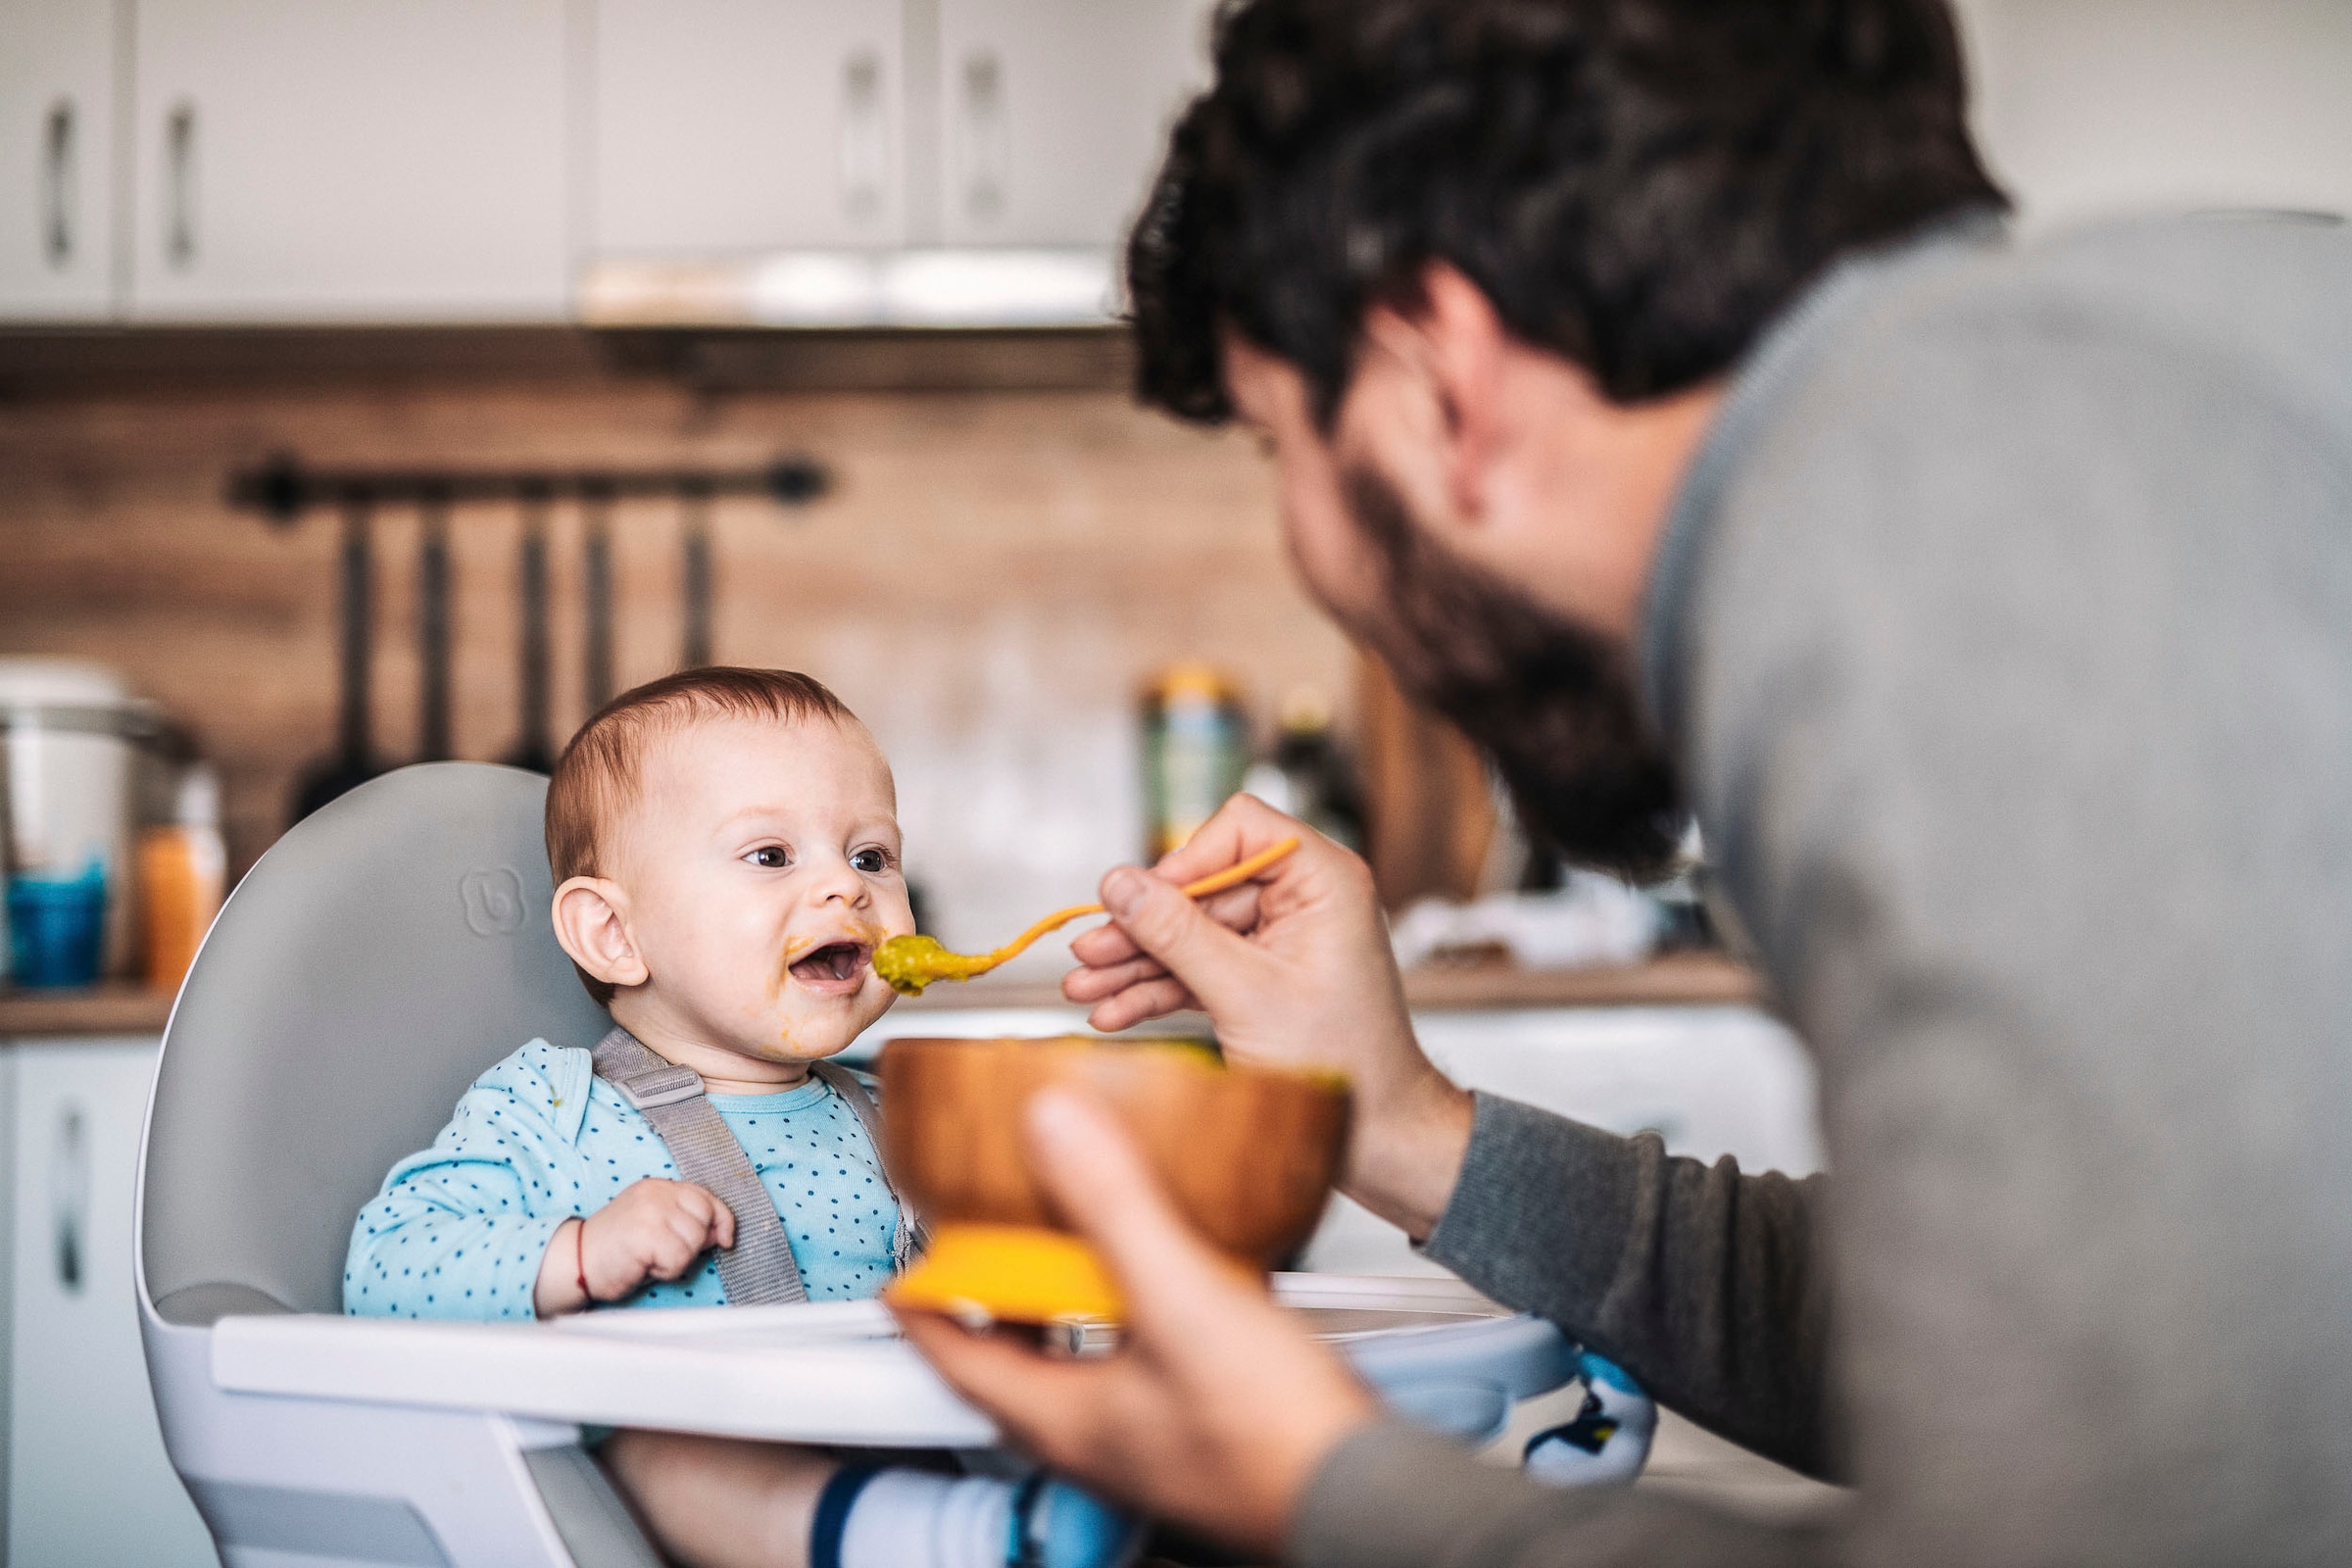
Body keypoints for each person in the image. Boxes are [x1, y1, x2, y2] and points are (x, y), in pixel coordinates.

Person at [897, 0, 2352, 1564]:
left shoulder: (1917, 550)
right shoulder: (2179, 358)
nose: (1306, 558)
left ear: (1439, 375)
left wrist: (1324, 1486)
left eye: (1273, 445)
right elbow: (2062, 1342)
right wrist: (1398, 1127)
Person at [345, 667, 1139, 1568]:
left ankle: (1027, 1529)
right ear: (615, 935)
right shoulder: (553, 1108)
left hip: (920, 1448)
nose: (847, 891)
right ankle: (951, 1540)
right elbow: (385, 1271)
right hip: (703, 1499)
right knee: (654, 1452)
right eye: (771, 857)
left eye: (872, 857)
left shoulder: (901, 1116)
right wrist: (578, 1251)